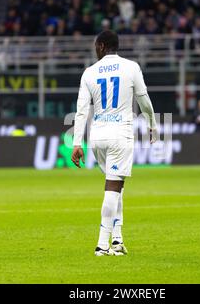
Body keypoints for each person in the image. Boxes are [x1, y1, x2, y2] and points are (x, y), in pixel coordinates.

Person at [71, 30, 158, 256]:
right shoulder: (131, 67)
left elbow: (81, 111)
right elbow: (144, 99)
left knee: (116, 185)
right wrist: (152, 123)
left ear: (101, 46)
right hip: (120, 135)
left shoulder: (89, 73)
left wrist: (77, 143)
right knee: (113, 187)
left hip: (97, 137)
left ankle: (118, 240)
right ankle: (102, 243)